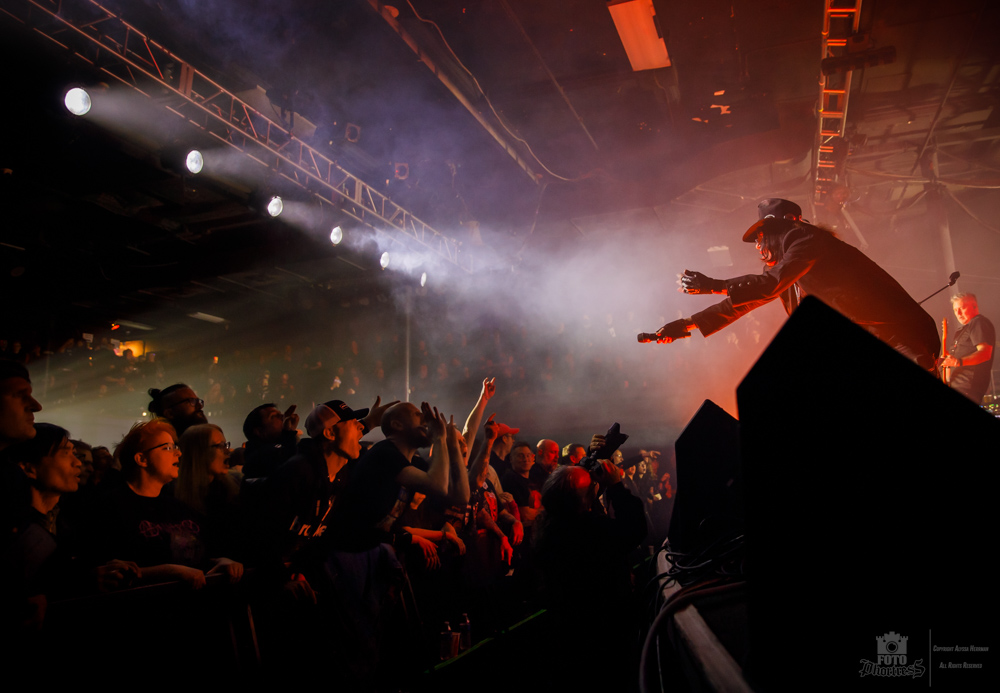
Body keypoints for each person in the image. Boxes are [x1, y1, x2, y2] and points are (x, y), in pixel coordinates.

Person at [654, 198, 940, 370]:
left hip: (893, 336)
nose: (757, 246)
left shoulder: (807, 240)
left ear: (777, 229)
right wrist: (686, 324)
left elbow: (769, 283)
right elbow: (742, 303)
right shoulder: (789, 271)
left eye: (759, 237)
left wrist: (712, 284)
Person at [940, 293, 995, 403]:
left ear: (974, 306)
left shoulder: (978, 322)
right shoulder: (963, 330)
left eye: (962, 308)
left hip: (967, 388)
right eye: (955, 310)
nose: (958, 313)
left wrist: (958, 362)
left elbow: (985, 353)